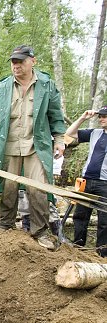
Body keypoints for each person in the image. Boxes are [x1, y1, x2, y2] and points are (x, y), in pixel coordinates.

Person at [0, 45, 66, 250]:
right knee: (9, 187)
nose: (16, 65)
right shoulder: (4, 87)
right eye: (13, 62)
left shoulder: (47, 85)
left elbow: (55, 116)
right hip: (8, 145)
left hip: (37, 146)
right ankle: (5, 225)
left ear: (32, 61)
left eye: (20, 61)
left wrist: (59, 140)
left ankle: (40, 232)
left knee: (38, 189)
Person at [65, 106, 107, 257]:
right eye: (100, 116)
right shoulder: (95, 133)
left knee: (104, 220)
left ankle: (101, 255)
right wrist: (83, 118)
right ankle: (78, 249)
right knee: (80, 216)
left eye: (105, 116)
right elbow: (69, 134)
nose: (102, 119)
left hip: (105, 184)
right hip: (86, 181)